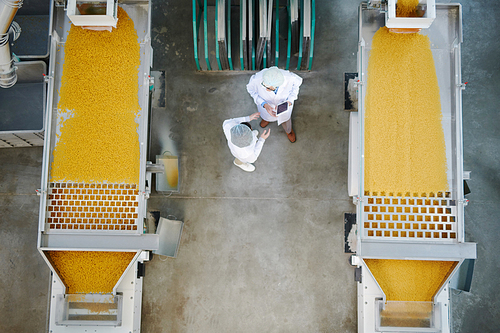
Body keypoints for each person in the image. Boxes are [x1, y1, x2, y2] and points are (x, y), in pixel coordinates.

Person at [246, 66, 303, 143]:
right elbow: (251, 90)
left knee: (286, 120)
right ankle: (266, 119)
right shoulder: (256, 79)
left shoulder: (290, 78)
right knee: (266, 115)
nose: (266, 90)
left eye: (269, 88)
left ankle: (288, 131)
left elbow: (296, 87)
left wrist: (289, 101)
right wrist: (264, 104)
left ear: (278, 85)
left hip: (285, 104)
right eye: (264, 86)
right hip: (266, 106)